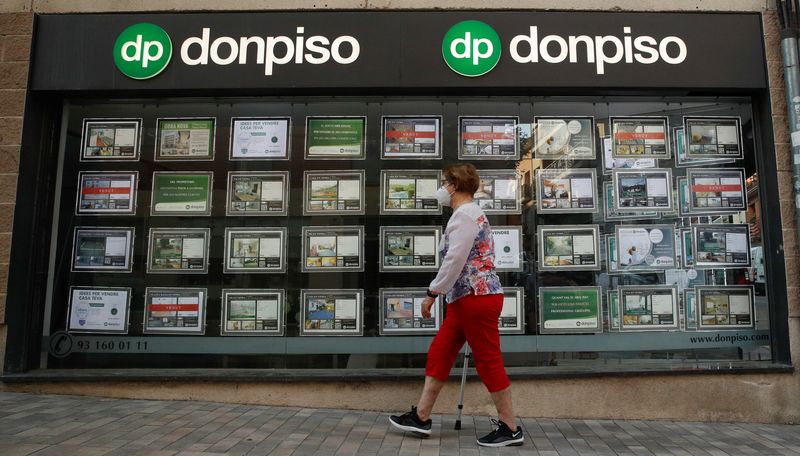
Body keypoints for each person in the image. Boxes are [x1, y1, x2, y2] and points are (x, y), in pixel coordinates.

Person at [388, 163, 523, 448]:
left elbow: (454, 261)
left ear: (453, 186)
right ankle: (421, 417)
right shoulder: (466, 215)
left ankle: (510, 427)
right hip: (466, 299)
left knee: (488, 360)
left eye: (443, 182)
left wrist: (432, 293)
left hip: (477, 297)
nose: (441, 188)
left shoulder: (465, 216)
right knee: (440, 352)